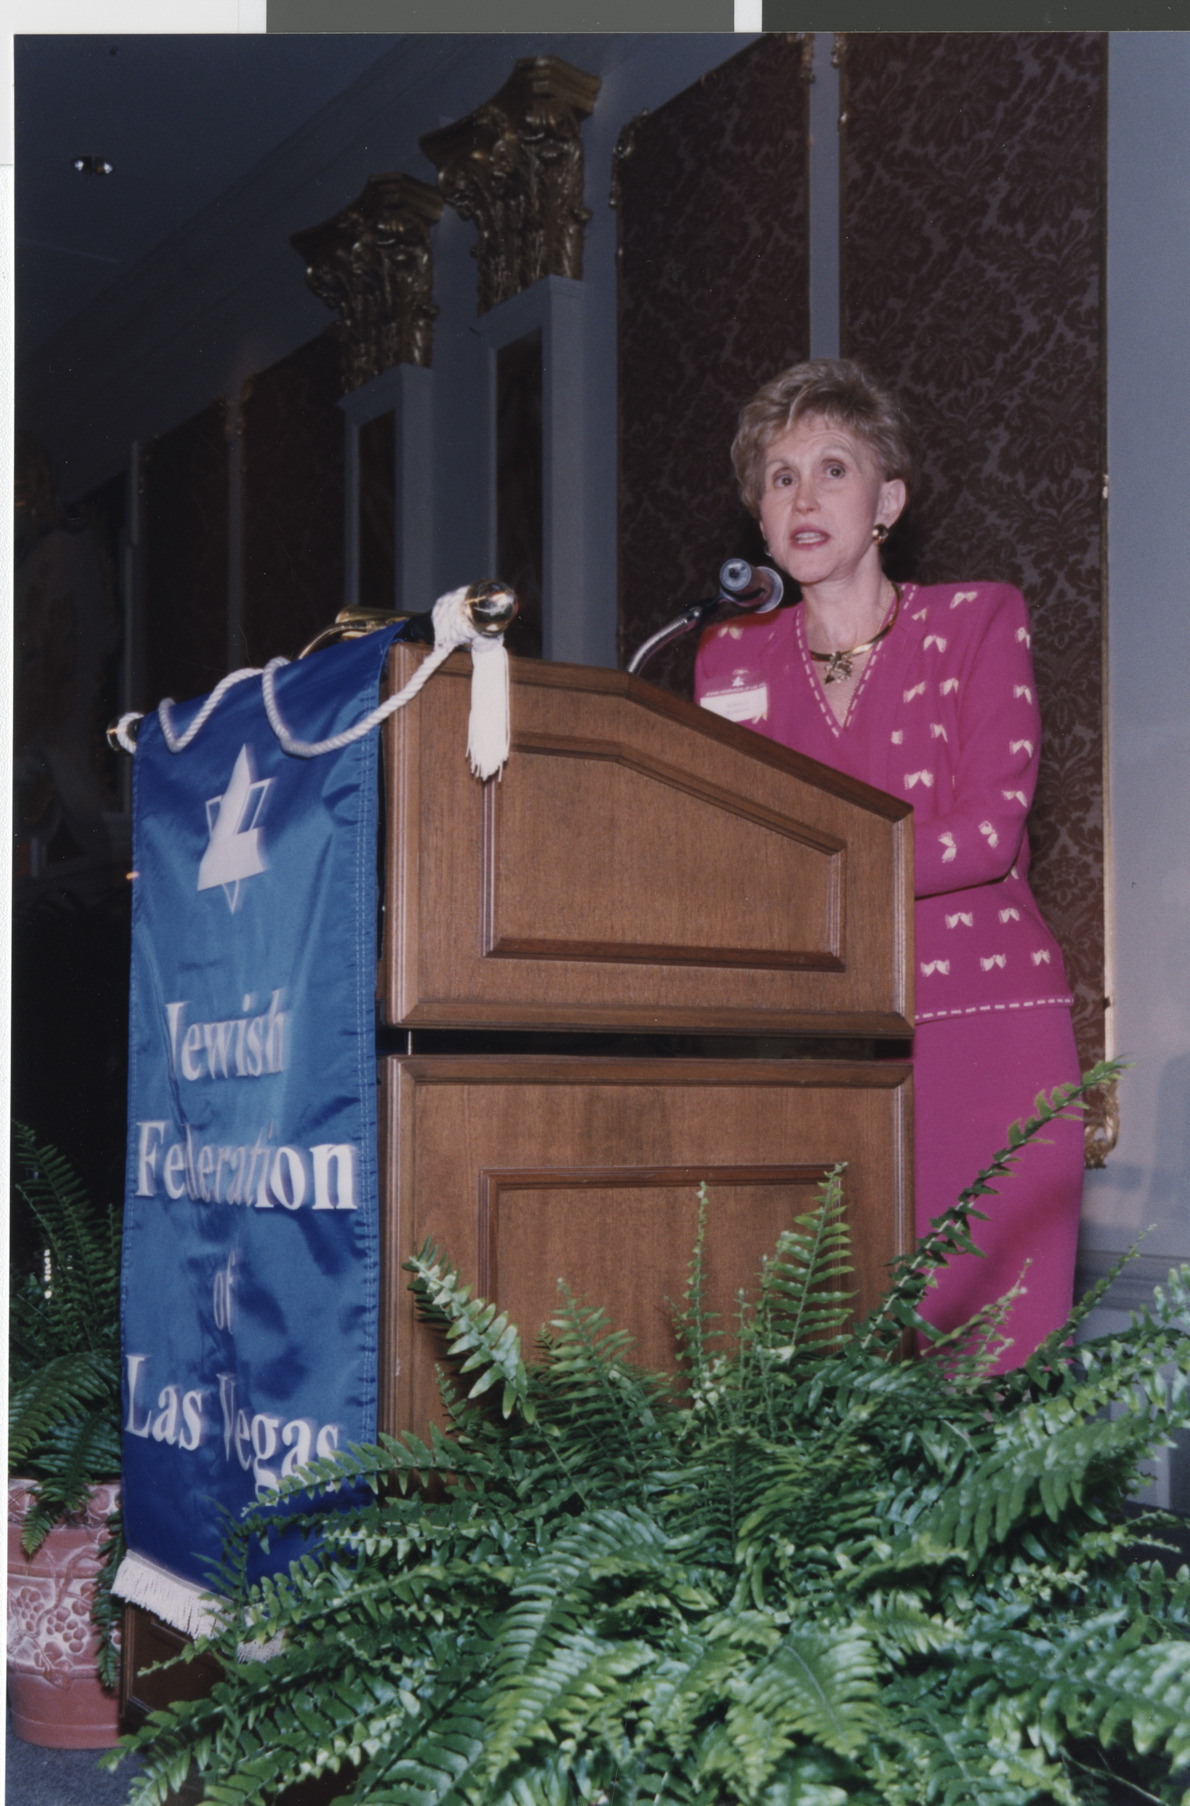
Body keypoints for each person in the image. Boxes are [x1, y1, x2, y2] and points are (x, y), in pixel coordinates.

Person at [695, 358, 1083, 1370]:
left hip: (980, 1028)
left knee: (986, 1364)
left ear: (887, 501)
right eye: (778, 477)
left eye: (832, 467)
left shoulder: (974, 621)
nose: (803, 496)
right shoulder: (726, 662)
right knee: (826, 1367)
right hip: (815, 1039)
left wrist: (805, 877)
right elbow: (730, 850)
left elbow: (986, 834)